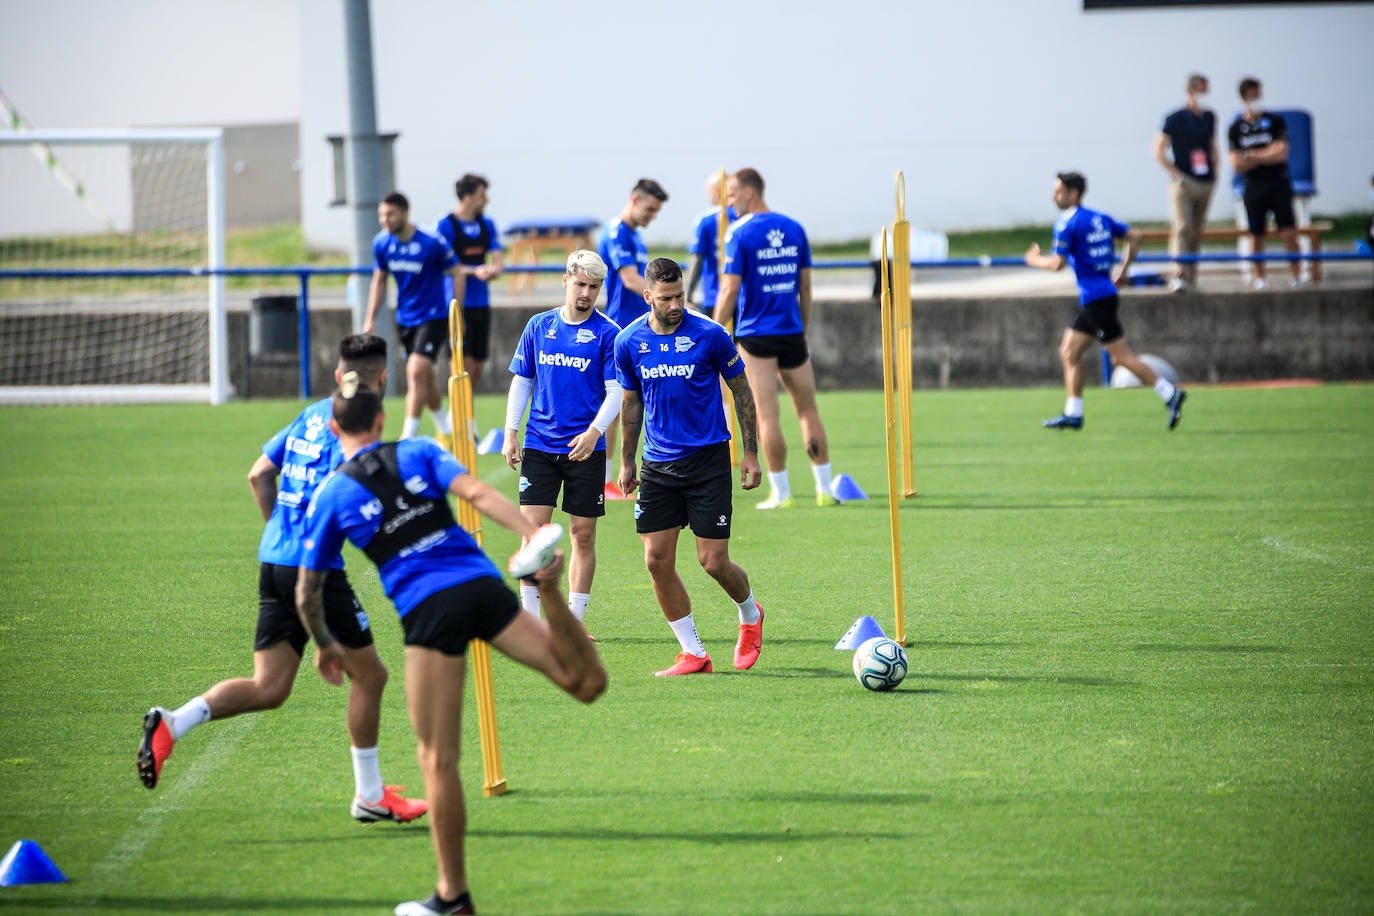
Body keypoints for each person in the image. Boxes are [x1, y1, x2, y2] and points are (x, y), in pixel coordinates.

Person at [297, 380, 606, 916]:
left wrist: (326, 645)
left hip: (429, 614)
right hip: (482, 588)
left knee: (437, 759)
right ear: (380, 421)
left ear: (332, 429)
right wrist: (531, 538)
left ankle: (452, 897)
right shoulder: (417, 450)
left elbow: (307, 590)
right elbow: (481, 495)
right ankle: (550, 588)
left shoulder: (332, 494)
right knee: (587, 683)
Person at [137, 334, 427, 825]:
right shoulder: (362, 430)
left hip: (273, 559)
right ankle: (370, 795)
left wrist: (282, 533)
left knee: (269, 687)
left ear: (339, 376)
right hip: (315, 569)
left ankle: (173, 722)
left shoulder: (314, 412)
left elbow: (258, 474)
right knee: (371, 675)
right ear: (384, 378)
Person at [614, 257, 765, 677]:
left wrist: (750, 452)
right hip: (658, 465)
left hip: (708, 461)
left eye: (680, 295)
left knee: (713, 562)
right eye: (666, 298)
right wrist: (627, 461)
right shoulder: (628, 342)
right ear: (648, 297)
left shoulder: (711, 334)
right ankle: (693, 652)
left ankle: (750, 616)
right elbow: (631, 403)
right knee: (655, 561)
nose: (676, 304)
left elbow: (742, 390)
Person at [501, 250, 622, 629]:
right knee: (534, 535)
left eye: (594, 287)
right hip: (539, 445)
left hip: (586, 450)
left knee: (582, 536)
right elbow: (522, 380)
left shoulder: (608, 334)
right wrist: (510, 431)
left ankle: (574, 623)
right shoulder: (538, 325)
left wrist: (594, 432)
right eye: (581, 284)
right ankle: (533, 622)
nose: (586, 293)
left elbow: (616, 391)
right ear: (566, 280)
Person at [1025, 171, 1188, 431]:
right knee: (1069, 351)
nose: (1053, 196)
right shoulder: (1099, 218)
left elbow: (1057, 264)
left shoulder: (1067, 223)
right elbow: (1135, 236)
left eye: (1058, 191)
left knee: (1122, 357)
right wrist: (1123, 272)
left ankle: (1169, 393)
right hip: (1099, 296)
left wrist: (1034, 260)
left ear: (1073, 194)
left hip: (1095, 298)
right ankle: (1073, 413)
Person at [715, 167, 838, 509]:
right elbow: (807, 286)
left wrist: (712, 327)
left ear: (749, 193)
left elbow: (729, 287)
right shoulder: (795, 228)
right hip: (792, 332)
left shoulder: (739, 233)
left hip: (757, 335)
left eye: (732, 195)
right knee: (808, 410)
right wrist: (804, 326)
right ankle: (824, 488)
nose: (730, 202)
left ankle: (782, 492)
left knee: (766, 415)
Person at [363, 190, 464, 446]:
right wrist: (370, 319)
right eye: (381, 214)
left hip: (434, 317)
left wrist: (457, 312)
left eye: (390, 213)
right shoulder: (382, 243)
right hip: (405, 318)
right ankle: (445, 429)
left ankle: (407, 436)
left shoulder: (432, 242)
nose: (385, 219)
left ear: (405, 213)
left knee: (416, 369)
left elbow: (458, 272)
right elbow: (379, 280)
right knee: (424, 376)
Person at [596, 178, 668, 495]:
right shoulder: (617, 233)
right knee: (617, 403)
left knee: (645, 400)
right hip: (620, 331)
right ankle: (604, 479)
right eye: (649, 209)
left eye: (656, 211)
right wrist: (669, 301)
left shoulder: (636, 238)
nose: (652, 216)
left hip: (642, 329)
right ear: (634, 199)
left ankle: (644, 471)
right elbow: (628, 280)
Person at [1227, 76, 1302, 290]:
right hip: (1254, 186)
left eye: (1259, 94)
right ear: (1244, 98)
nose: (1257, 99)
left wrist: (1251, 155)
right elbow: (1236, 164)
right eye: (1252, 96)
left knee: (1289, 232)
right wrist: (1265, 153)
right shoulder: (1236, 127)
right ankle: (1260, 278)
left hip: (1279, 182)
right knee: (1255, 234)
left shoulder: (1275, 121)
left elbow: (1281, 153)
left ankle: (1297, 276)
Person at [435, 173, 504, 392]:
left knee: (477, 366)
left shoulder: (487, 224)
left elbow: (498, 259)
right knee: (461, 364)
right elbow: (445, 265)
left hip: (481, 302)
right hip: (455, 302)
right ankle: (456, 416)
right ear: (467, 197)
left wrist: (493, 269)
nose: (486, 200)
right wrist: (476, 271)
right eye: (482, 195)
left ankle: (466, 415)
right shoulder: (445, 226)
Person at [1153, 73, 1219, 293]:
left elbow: (1212, 145)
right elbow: (1159, 149)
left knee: (1196, 231)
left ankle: (1192, 277)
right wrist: (1175, 173)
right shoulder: (1175, 118)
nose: (1205, 95)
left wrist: (1215, 172)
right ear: (1191, 91)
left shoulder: (1209, 116)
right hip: (1184, 180)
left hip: (1205, 179)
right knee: (1182, 227)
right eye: (1201, 90)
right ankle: (1179, 274)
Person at [685, 173, 737, 318]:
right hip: (742, 296)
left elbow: (697, 260)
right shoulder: (742, 216)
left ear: (716, 192)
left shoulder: (706, 219)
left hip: (714, 295)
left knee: (716, 338)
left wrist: (687, 295)